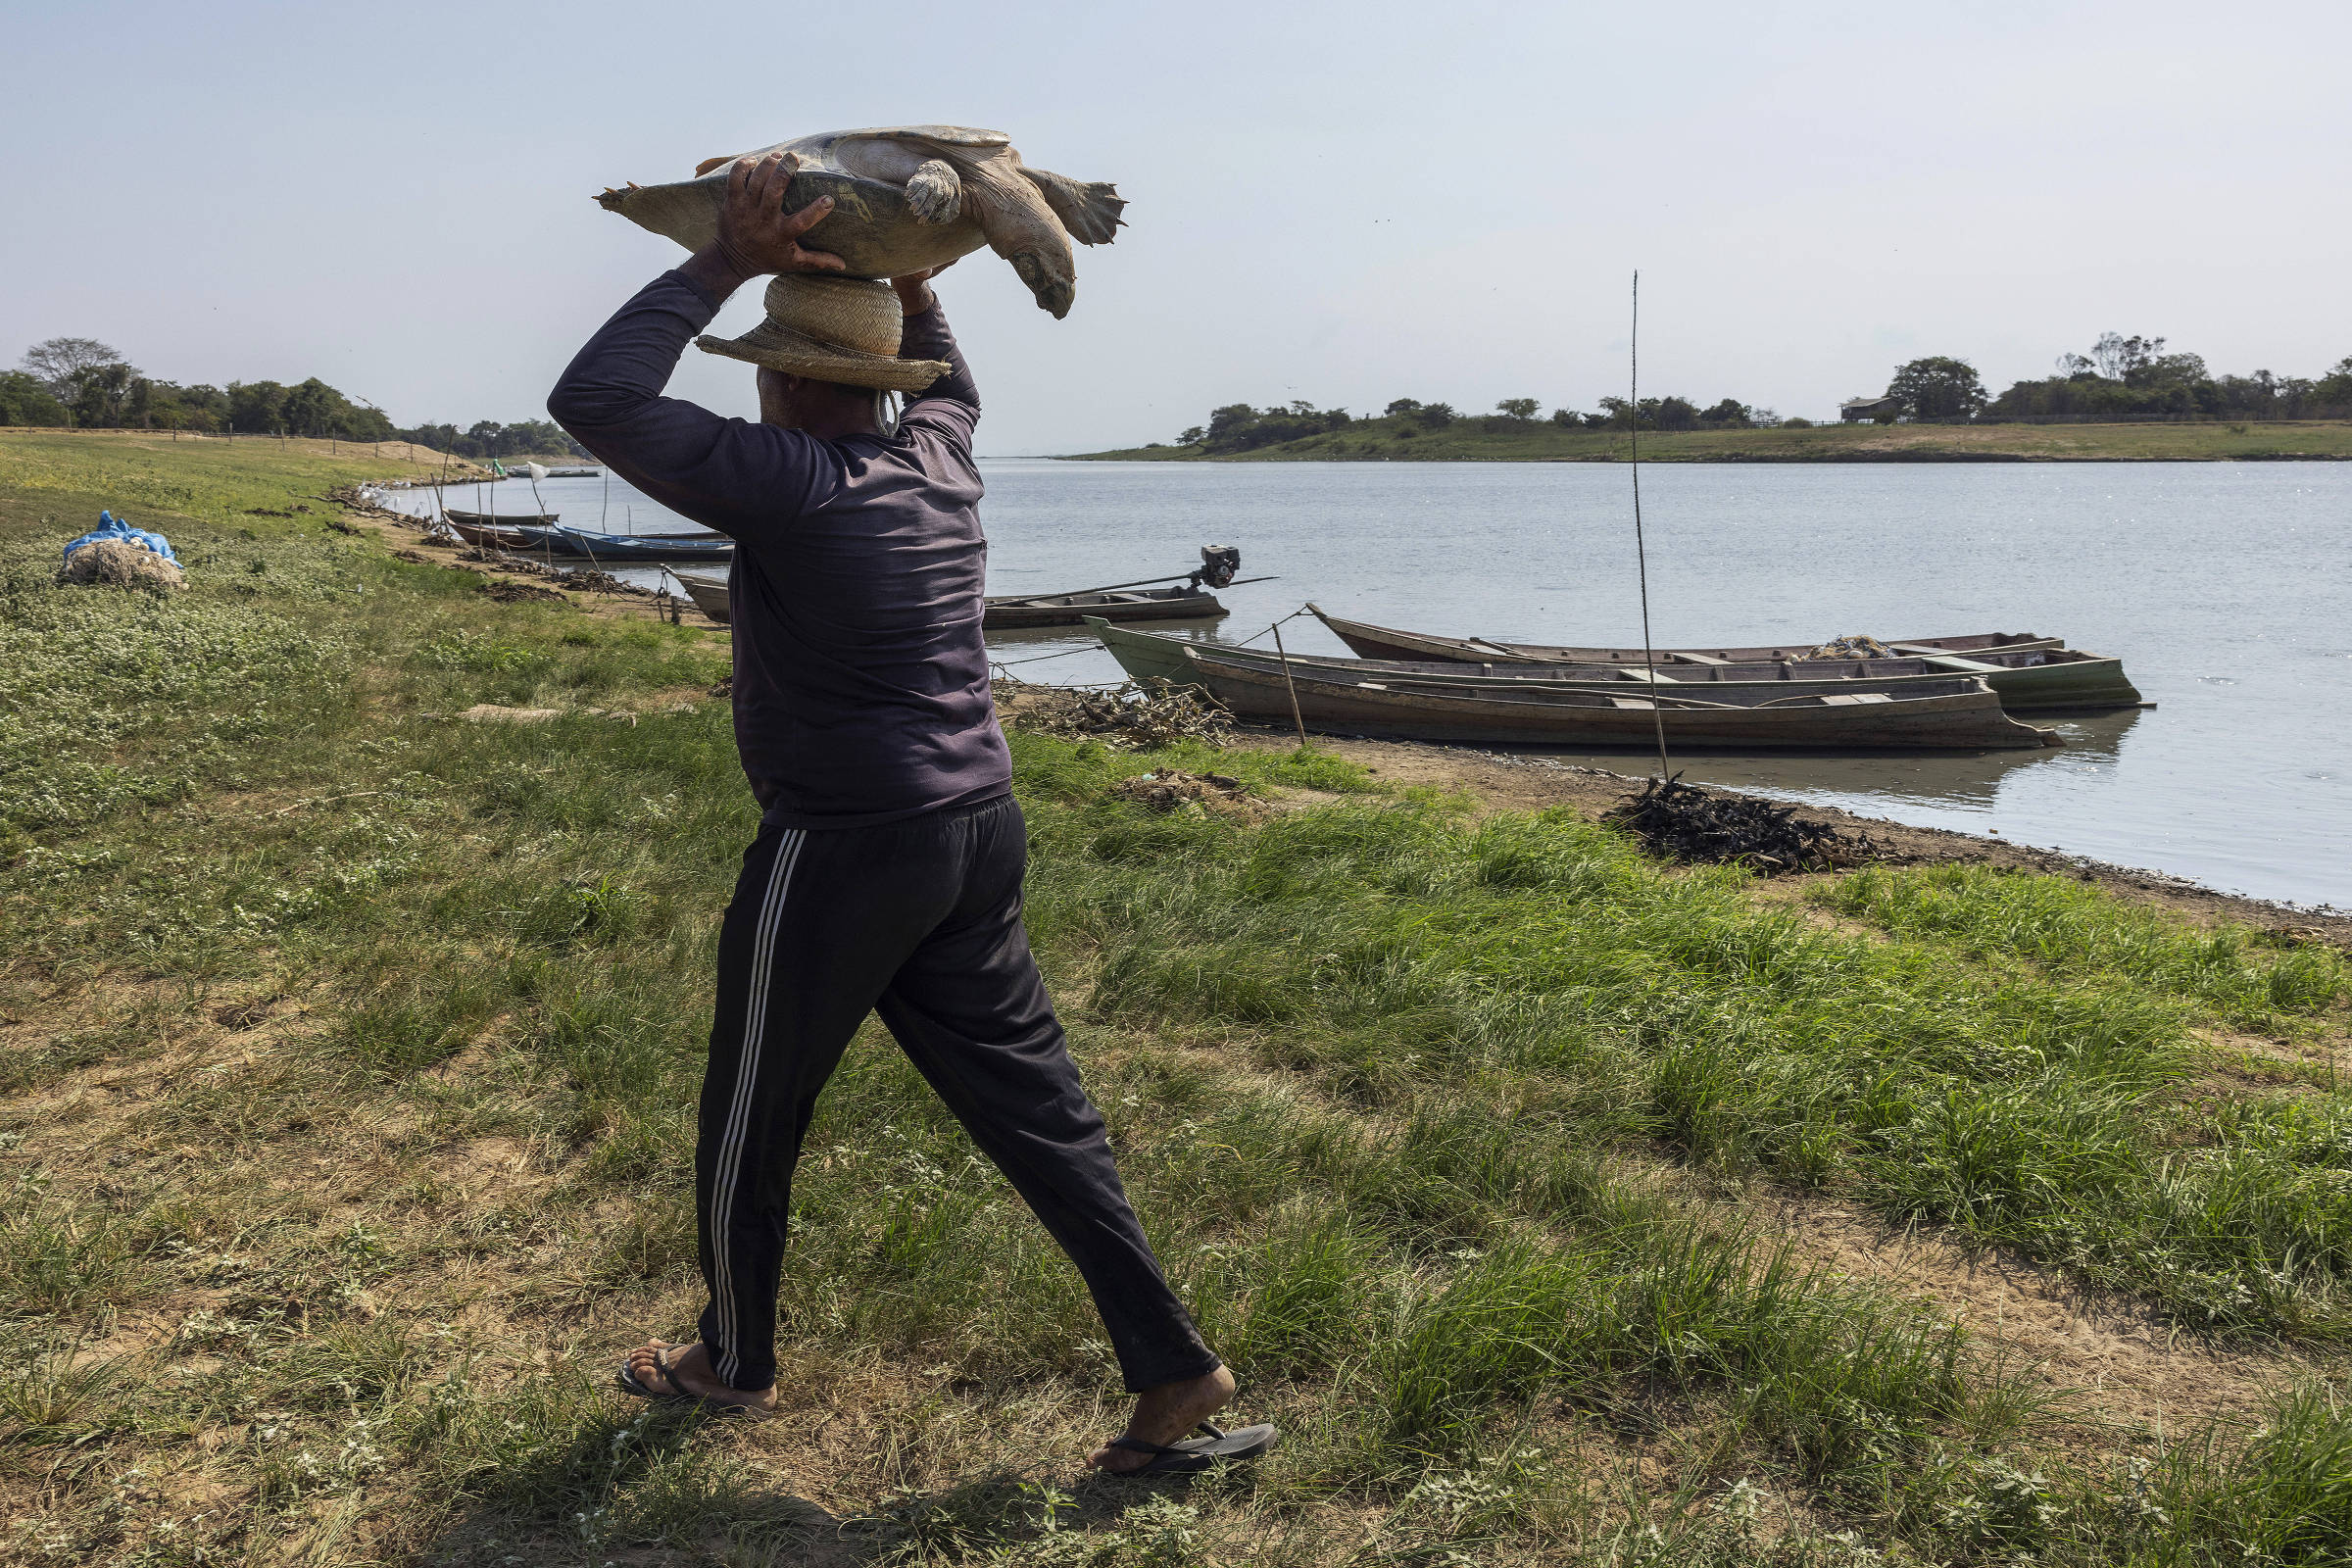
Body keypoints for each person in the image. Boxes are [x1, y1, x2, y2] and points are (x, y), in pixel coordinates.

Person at [547, 152, 1268, 1475]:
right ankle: (1175, 1368)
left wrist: (725, 261)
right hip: (975, 830)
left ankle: (733, 1360)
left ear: (782, 377)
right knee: (1039, 1112)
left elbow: (590, 397)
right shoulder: (941, 457)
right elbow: (955, 383)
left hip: (845, 842)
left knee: (752, 1107)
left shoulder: (783, 480)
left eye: (766, 354)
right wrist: (915, 276)